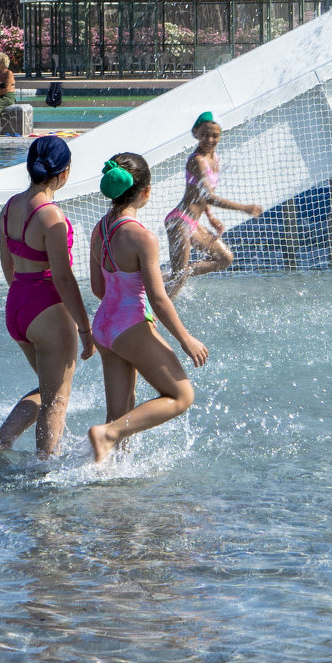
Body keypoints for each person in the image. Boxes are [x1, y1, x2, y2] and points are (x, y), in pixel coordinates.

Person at [86, 152, 207, 466]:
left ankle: (110, 480)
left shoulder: (100, 229)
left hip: (103, 328)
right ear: (145, 192)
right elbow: (158, 298)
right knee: (182, 397)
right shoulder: (143, 237)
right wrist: (186, 339)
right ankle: (106, 436)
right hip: (131, 324)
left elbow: (99, 289)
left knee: (120, 415)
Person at [0, 134, 92, 458]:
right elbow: (64, 278)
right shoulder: (52, 216)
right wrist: (85, 328)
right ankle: (46, 474)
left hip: (17, 304)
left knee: (48, 388)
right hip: (48, 309)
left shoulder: (10, 206)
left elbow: (7, 263)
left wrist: (22, 300)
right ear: (64, 173)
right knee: (57, 399)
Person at [164, 112, 262, 287]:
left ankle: (159, 277)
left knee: (224, 258)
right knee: (179, 277)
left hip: (193, 223)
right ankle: (156, 310)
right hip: (180, 221)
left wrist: (210, 217)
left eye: (214, 135)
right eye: (204, 135)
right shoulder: (198, 161)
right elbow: (209, 196)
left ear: (220, 135)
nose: (209, 139)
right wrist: (244, 208)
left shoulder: (214, 158)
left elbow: (202, 195)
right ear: (196, 134)